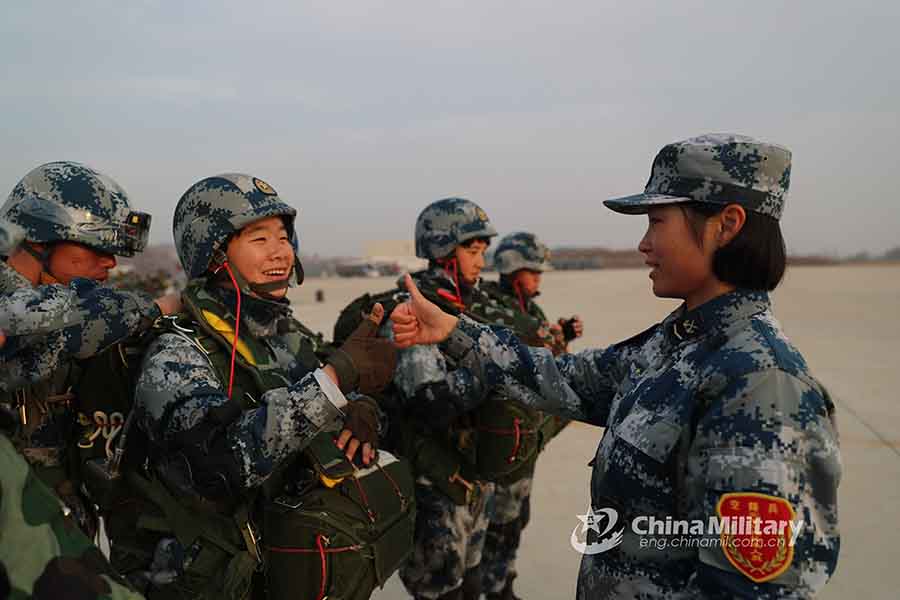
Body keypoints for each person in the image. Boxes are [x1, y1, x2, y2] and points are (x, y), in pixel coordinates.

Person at [391, 134, 841, 598]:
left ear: (725, 225)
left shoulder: (760, 384)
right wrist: (453, 330)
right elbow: (565, 378)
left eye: (657, 221)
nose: (644, 244)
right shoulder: (680, 343)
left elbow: (750, 589)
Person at [117, 173, 405, 599]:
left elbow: (327, 392)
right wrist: (334, 380)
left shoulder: (284, 333)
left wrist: (362, 409)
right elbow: (219, 464)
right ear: (214, 255)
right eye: (259, 239)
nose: (280, 251)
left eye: (284, 237)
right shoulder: (177, 353)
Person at [334, 197, 512, 600]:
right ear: (443, 250)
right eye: (472, 250)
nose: (481, 261)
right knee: (440, 589)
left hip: (470, 475)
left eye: (483, 251)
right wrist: (491, 373)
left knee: (472, 583)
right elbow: (428, 403)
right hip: (433, 481)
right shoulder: (414, 310)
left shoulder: (463, 304)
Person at [0, 162, 180, 536]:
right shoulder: (24, 310)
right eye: (95, 246)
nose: (110, 261)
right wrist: (159, 307)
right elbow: (63, 321)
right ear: (39, 240)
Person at [473, 231, 583, 600]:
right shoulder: (490, 305)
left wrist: (562, 337)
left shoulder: (531, 312)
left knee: (516, 518)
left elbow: (548, 363)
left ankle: (503, 583)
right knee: (496, 523)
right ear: (511, 268)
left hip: (527, 436)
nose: (538, 278)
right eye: (532, 271)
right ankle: (491, 588)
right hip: (500, 434)